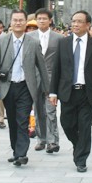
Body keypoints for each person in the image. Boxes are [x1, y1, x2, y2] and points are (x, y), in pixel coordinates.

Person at [49, 10, 92, 172]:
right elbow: (57, 69)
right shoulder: (64, 43)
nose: (75, 24)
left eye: (79, 21)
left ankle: (81, 159)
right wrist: (53, 92)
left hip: (87, 92)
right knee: (67, 124)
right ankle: (79, 146)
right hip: (67, 92)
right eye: (73, 21)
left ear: (88, 25)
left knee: (84, 126)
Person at [0, 9, 49, 167]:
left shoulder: (33, 42)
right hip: (7, 86)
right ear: (11, 22)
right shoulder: (2, 41)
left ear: (25, 22)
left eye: (21, 20)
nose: (18, 22)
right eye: (15, 20)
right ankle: (16, 150)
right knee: (13, 122)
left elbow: (41, 67)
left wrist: (48, 89)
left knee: (22, 121)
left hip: (26, 87)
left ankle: (22, 154)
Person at [28, 8, 63, 153]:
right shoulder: (29, 37)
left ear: (50, 20)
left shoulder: (59, 38)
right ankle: (41, 139)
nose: (41, 21)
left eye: (44, 18)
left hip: (51, 77)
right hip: (34, 78)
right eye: (39, 18)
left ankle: (53, 141)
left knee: (51, 110)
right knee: (38, 110)